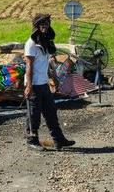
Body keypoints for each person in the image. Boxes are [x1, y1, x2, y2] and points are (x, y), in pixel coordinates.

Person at [24, 13, 75, 150]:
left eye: (47, 23)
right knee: (34, 115)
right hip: (34, 85)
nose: (45, 26)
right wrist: (28, 86)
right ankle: (32, 141)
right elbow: (29, 65)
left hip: (43, 83)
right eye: (42, 24)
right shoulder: (31, 43)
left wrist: (53, 79)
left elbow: (47, 64)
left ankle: (59, 140)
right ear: (36, 26)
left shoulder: (45, 42)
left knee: (51, 112)